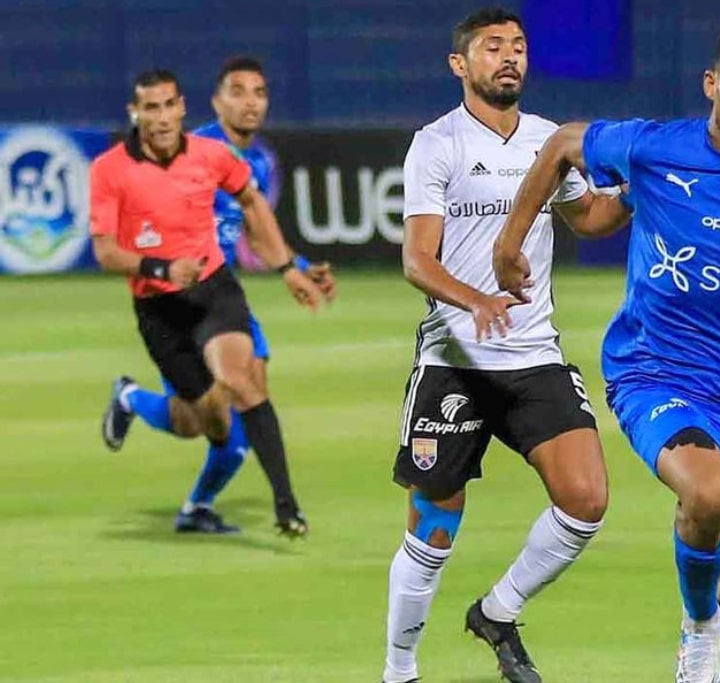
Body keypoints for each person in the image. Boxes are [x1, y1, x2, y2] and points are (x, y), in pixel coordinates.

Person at [495, 17, 720, 683]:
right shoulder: (656, 148)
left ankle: (718, 664)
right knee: (709, 494)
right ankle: (697, 626)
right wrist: (510, 242)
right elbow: (563, 144)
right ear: (712, 85)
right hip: (654, 369)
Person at [382, 8, 630, 683]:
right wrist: (477, 299)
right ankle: (399, 670)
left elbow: (590, 216)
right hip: (454, 363)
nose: (510, 57)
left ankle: (498, 610)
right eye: (493, 47)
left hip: (533, 357)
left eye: (518, 46)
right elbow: (417, 260)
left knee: (586, 499)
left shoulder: (549, 141)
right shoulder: (436, 144)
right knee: (432, 531)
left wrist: (641, 190)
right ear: (459, 64)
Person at [100, 58, 337, 534]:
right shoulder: (194, 150)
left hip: (220, 297)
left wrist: (297, 267)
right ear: (215, 101)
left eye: (259, 93)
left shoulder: (258, 161)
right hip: (174, 300)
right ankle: (130, 397)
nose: (251, 103)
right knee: (194, 422)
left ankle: (203, 507)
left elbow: (252, 234)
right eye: (238, 92)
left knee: (247, 394)